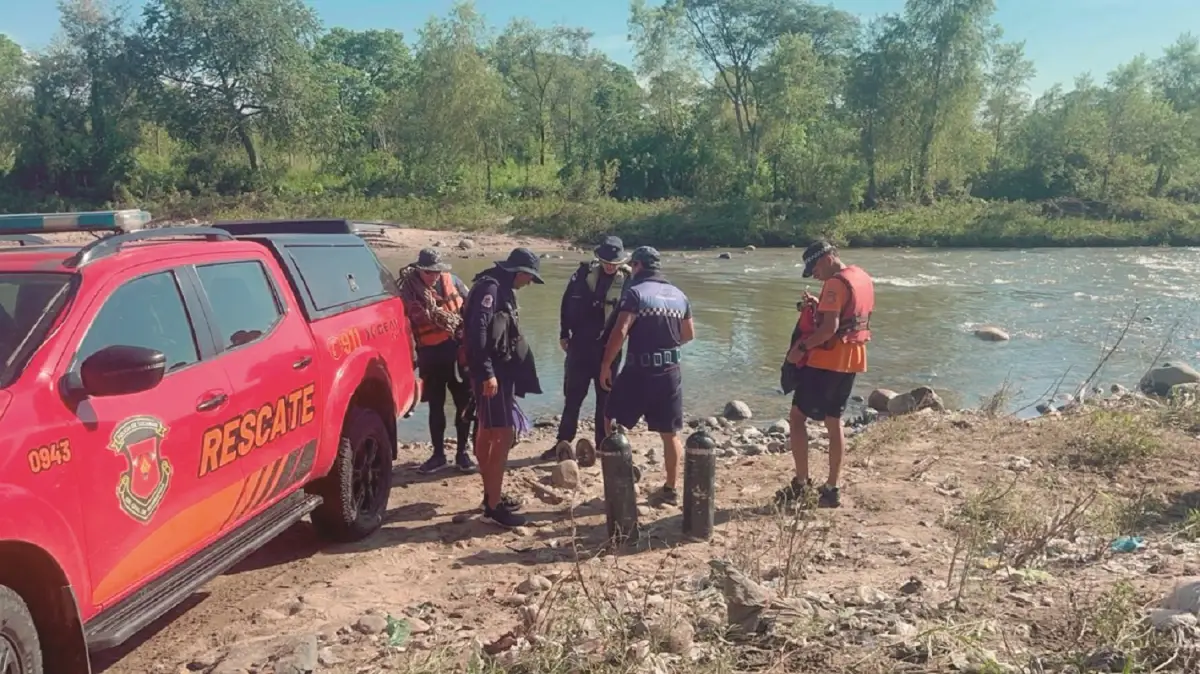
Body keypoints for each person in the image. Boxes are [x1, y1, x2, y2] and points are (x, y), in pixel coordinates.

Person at [777, 240, 875, 509]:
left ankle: (801, 483)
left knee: (797, 417)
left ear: (829, 257)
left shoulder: (834, 284)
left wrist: (801, 348)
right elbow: (847, 314)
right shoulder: (862, 277)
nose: (815, 274)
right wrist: (820, 304)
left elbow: (829, 329)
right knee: (834, 421)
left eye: (815, 267)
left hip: (828, 360)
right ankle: (832, 488)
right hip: (853, 359)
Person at [599, 246, 695, 505]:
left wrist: (606, 364)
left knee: (610, 417)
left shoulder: (635, 293)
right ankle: (670, 489)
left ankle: (622, 472)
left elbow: (620, 331)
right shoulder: (679, 295)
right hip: (671, 372)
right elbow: (688, 335)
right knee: (670, 433)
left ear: (638, 266)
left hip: (639, 369)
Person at [464, 247, 544, 528]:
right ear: (520, 272)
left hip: (498, 374)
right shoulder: (491, 289)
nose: (529, 283)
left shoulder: (500, 287)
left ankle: (491, 495)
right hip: (492, 375)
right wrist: (487, 374)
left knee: (487, 432)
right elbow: (477, 333)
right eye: (530, 278)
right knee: (503, 434)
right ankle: (494, 506)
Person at [542, 236, 632, 463]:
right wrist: (564, 333)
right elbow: (565, 303)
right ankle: (563, 442)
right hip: (580, 346)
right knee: (573, 397)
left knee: (606, 399)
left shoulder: (628, 280)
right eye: (606, 261)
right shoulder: (582, 275)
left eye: (614, 263)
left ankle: (603, 444)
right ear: (599, 259)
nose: (610, 266)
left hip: (609, 349)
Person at [398, 248, 476, 474]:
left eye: (436, 271)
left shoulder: (454, 282)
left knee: (463, 404)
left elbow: (471, 310)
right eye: (428, 272)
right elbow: (403, 327)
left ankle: (462, 453)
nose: (433, 276)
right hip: (430, 355)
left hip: (457, 351)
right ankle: (438, 454)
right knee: (435, 406)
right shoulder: (408, 291)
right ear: (419, 269)